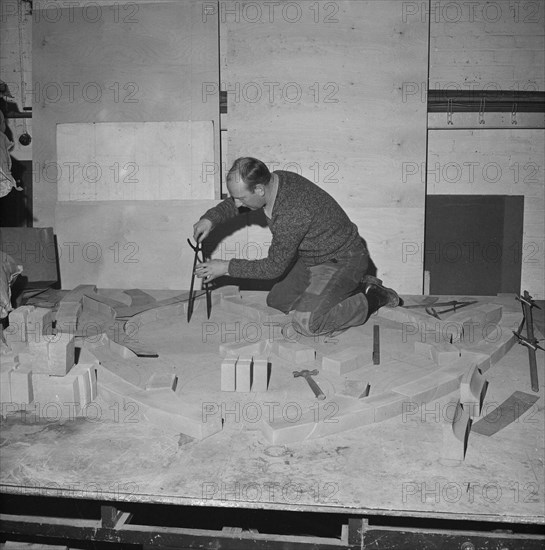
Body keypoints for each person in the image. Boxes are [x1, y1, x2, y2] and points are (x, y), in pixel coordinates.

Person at [193, 157, 400, 336]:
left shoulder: (292, 213)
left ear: (259, 189)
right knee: (278, 302)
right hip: (314, 256)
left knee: (308, 324)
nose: (237, 204)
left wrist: (226, 267)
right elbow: (239, 202)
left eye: (241, 198)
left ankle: (372, 296)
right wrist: (211, 219)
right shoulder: (274, 180)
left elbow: (273, 268)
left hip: (343, 259)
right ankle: (347, 287)